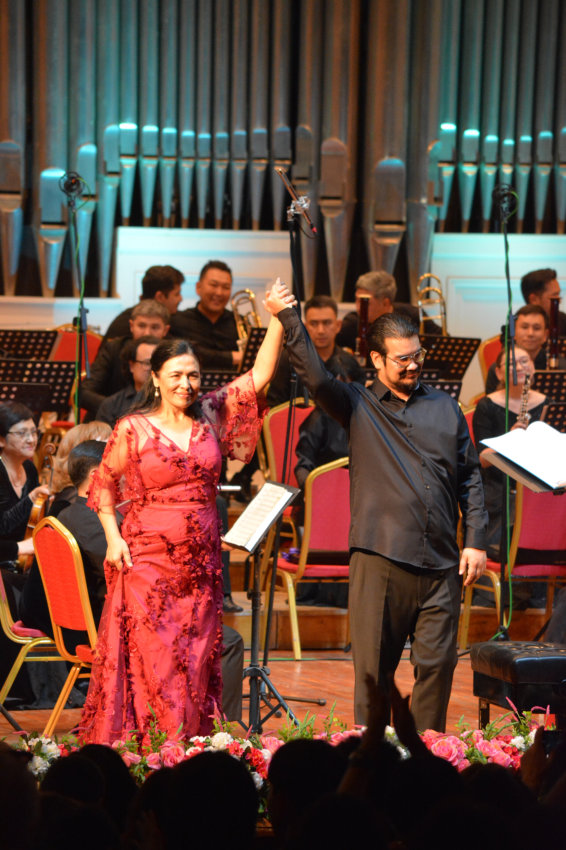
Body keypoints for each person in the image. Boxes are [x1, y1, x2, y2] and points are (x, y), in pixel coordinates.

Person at [78, 280, 296, 744]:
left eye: (193, 375)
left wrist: (277, 317)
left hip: (200, 561)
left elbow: (259, 375)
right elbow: (103, 486)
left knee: (195, 655)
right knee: (154, 655)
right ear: (155, 378)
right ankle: (153, 746)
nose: (186, 384)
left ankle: (186, 745)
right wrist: (113, 539)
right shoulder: (132, 427)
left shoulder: (211, 415)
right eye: (176, 375)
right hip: (146, 560)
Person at [269, 305, 487, 732]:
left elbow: (470, 477)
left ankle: (426, 756)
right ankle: (372, 759)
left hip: (442, 562)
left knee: (438, 667)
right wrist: (289, 318)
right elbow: (316, 377)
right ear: (377, 359)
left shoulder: (446, 408)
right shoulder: (357, 404)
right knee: (374, 674)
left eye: (417, 355)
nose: (413, 365)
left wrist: (476, 539)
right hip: (381, 558)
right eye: (402, 358)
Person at [473, 347, 548, 605]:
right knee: (509, 507)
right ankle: (500, 597)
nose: (520, 367)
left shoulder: (549, 402)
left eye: (525, 361)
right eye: (512, 363)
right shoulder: (486, 405)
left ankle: (541, 595)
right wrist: (510, 440)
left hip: (539, 490)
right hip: (499, 489)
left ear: (534, 367)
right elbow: (481, 460)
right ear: (498, 372)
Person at [80, 301, 170, 419]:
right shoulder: (114, 348)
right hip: (109, 420)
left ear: (165, 330)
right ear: (131, 326)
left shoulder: (172, 354)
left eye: (155, 327)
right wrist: (117, 408)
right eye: (141, 326)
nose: (147, 333)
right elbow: (83, 393)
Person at [267, 294, 351, 406]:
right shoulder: (288, 359)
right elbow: (274, 405)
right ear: (305, 326)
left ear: (338, 325)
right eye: (314, 324)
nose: (321, 331)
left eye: (327, 323)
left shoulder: (349, 362)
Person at [336, 270, 440, 353]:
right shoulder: (352, 322)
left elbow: (442, 341)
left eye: (365, 302)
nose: (359, 307)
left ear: (385, 303)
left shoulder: (412, 315)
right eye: (357, 300)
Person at [169, 259, 241, 370]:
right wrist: (231, 357)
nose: (219, 293)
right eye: (214, 285)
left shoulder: (239, 323)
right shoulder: (178, 321)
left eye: (226, 287)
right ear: (198, 287)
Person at [484, 305, 566, 393]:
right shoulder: (500, 369)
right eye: (524, 327)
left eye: (536, 328)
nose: (530, 333)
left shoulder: (561, 367)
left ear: (545, 335)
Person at [102, 264, 184, 342]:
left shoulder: (176, 319)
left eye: (155, 327)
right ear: (160, 297)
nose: (181, 299)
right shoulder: (123, 328)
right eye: (177, 294)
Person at [96, 336, 160, 429]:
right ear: (131, 366)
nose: (152, 369)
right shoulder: (112, 405)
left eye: (157, 364)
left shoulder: (172, 400)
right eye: (147, 363)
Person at [521, 268, 565, 335]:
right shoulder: (514, 327)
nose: (559, 301)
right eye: (554, 296)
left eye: (558, 294)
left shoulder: (563, 320)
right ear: (534, 299)